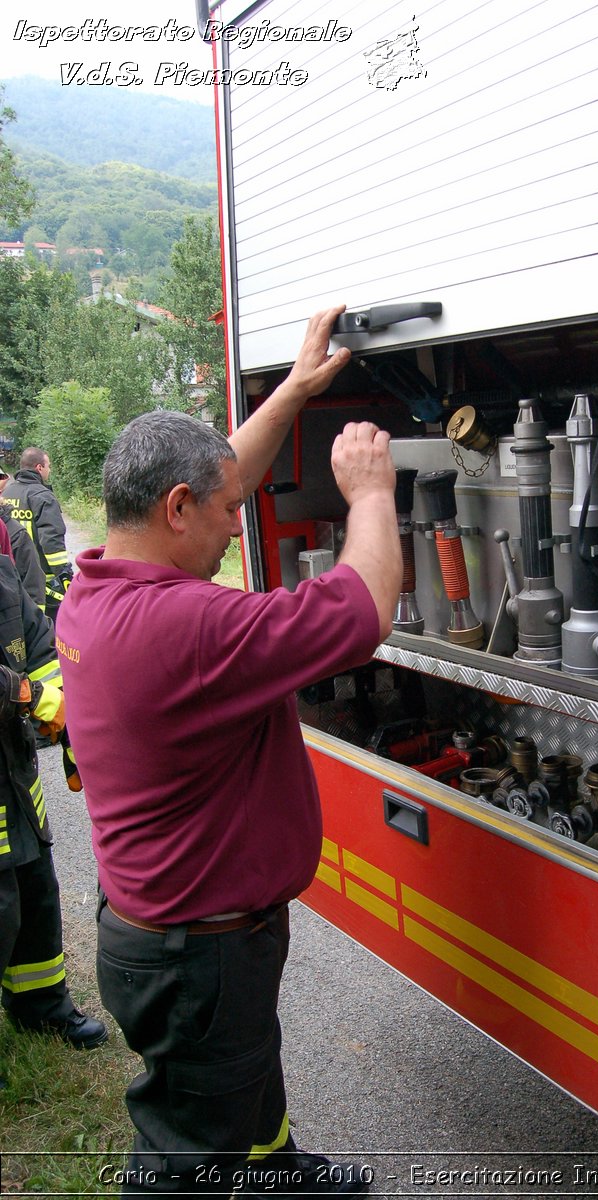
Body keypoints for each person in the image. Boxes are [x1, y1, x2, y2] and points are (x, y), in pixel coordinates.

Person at [56, 305, 402, 1198]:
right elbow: (362, 608)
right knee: (184, 1165)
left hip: (173, 936)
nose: (229, 533)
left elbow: (213, 480)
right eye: (223, 515)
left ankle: (274, 1169)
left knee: (244, 1077)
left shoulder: (97, 585)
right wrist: (368, 492)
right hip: (195, 954)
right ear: (176, 509)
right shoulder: (188, 626)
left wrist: (292, 391)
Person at [0, 519, 107, 1092]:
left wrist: (68, 717)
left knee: (34, 885)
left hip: (10, 767)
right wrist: (29, 696)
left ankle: (41, 1003)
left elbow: (34, 636)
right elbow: (23, 681)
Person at [3, 449, 73, 625]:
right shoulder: (42, 496)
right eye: (48, 466)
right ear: (39, 467)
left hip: (11, 574)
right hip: (42, 580)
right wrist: (62, 574)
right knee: (46, 627)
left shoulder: (8, 494)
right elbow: (52, 539)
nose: (49, 470)